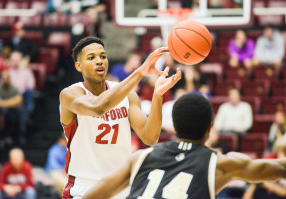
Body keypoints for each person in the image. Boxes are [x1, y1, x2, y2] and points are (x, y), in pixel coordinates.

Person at [82, 93, 286, 199]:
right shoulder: (221, 164)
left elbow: (92, 196)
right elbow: (279, 169)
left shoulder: (140, 158)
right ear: (210, 128)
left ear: (174, 127)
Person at [59, 36, 181, 198]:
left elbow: (150, 137)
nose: (99, 61)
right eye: (91, 58)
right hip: (84, 187)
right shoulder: (70, 94)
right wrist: (140, 72)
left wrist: (157, 96)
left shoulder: (127, 94)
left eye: (103, 56)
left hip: (120, 187)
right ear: (78, 66)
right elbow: (98, 107)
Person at [0, 70, 24, 146]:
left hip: (13, 111)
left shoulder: (14, 88)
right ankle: (4, 136)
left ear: (10, 79)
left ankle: (19, 135)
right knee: (4, 111)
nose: (5, 80)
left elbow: (19, 100)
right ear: (1, 79)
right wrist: (11, 102)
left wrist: (4, 103)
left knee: (19, 111)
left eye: (7, 78)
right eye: (4, 78)